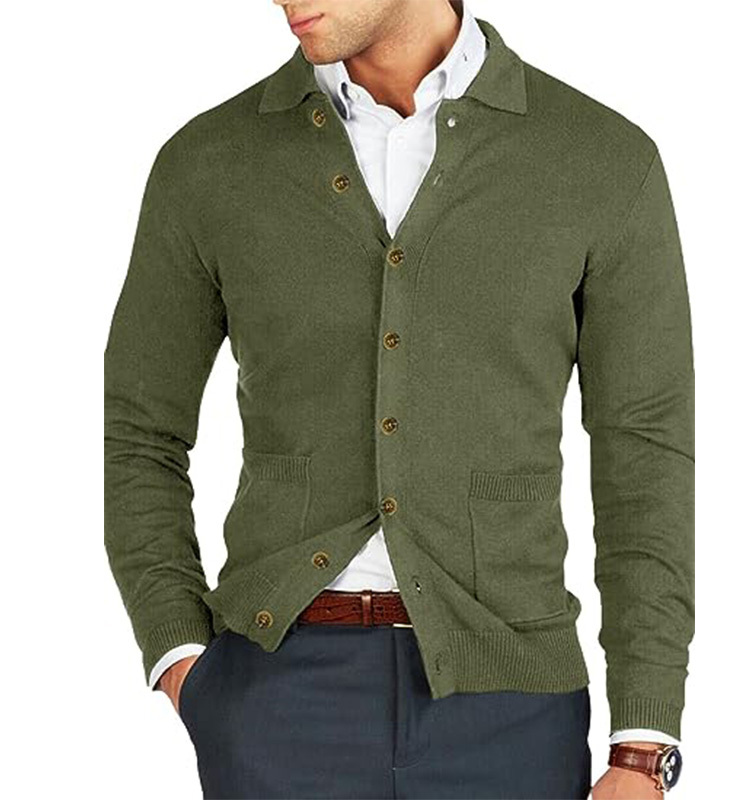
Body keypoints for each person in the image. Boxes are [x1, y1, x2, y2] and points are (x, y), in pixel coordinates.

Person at [104, 1, 694, 797]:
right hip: (274, 698)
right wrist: (180, 655)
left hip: (512, 705)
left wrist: (642, 745)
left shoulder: (600, 160)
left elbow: (644, 452)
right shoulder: (210, 163)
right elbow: (140, 429)